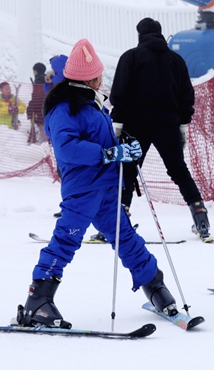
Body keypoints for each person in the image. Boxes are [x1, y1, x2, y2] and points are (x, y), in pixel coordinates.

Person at [16, 38, 177, 328]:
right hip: (83, 190)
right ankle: (38, 301)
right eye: (100, 75)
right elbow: (68, 148)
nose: (103, 79)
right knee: (66, 241)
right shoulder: (65, 108)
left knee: (127, 239)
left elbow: (102, 141)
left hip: (106, 189)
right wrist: (109, 153)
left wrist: (124, 145)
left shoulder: (90, 103)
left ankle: (154, 286)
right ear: (91, 77)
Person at [110, 17, 211, 241]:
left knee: (128, 171)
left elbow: (120, 92)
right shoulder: (176, 60)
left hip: (135, 126)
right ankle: (199, 213)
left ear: (139, 35)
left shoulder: (131, 57)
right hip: (168, 125)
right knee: (179, 171)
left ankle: (119, 220)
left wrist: (117, 122)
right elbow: (186, 95)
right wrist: (183, 122)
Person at [26, 62, 47, 144]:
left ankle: (46, 149)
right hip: (49, 109)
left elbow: (36, 98)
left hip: (40, 110)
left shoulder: (38, 82)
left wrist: (30, 110)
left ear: (35, 71)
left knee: (43, 133)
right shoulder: (48, 80)